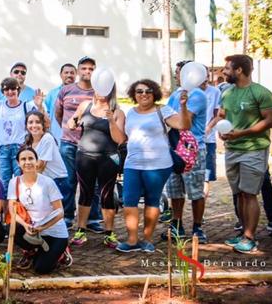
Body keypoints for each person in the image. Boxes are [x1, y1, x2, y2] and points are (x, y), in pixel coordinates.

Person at [111, 80, 185, 253]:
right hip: (132, 164)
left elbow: (183, 125)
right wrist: (110, 121)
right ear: (134, 94)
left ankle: (147, 240)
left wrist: (183, 106)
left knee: (152, 200)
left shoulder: (163, 110)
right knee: (129, 200)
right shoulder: (131, 112)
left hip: (158, 165)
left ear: (155, 93)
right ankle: (132, 241)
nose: (143, 94)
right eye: (139, 91)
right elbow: (121, 139)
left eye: (148, 90)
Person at [219, 54, 272, 254]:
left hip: (254, 150)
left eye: (227, 68)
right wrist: (221, 130)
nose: (224, 72)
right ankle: (243, 232)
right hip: (232, 149)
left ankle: (250, 238)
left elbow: (271, 120)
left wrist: (242, 133)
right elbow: (222, 115)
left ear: (239, 70)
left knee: (250, 194)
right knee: (239, 194)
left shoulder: (260, 93)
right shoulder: (227, 93)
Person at [64, 89, 120, 248]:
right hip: (85, 157)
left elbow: (120, 139)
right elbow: (71, 125)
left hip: (108, 158)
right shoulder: (85, 105)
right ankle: (81, 230)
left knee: (106, 194)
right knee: (85, 192)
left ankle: (109, 233)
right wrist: (74, 120)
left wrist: (111, 121)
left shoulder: (117, 111)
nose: (101, 92)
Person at [165, 61, 211, 242]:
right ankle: (177, 224)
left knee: (195, 191)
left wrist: (169, 115)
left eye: (179, 72)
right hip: (174, 147)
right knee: (175, 189)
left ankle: (197, 227)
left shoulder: (198, 94)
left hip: (193, 149)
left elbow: (183, 121)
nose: (176, 76)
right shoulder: (175, 94)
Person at [8, 146, 71, 273]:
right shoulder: (14, 182)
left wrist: (42, 227)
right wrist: (25, 225)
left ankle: (61, 252)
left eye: (31, 158)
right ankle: (32, 251)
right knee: (12, 228)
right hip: (32, 230)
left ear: (37, 161)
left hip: (54, 231)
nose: (27, 162)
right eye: (23, 159)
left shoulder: (48, 182)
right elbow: (12, 209)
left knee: (41, 268)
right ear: (18, 163)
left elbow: (60, 212)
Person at [54, 57, 97, 231]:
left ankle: (93, 219)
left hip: (92, 145)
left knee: (91, 183)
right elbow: (58, 114)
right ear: (78, 71)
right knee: (68, 181)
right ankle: (67, 216)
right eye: (84, 68)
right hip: (68, 143)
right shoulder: (66, 90)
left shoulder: (99, 92)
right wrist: (68, 130)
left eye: (91, 69)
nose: (87, 71)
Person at [0, 78, 42, 184]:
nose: (10, 91)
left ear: (18, 90)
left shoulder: (27, 106)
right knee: (3, 182)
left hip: (20, 147)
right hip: (3, 148)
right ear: (3, 92)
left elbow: (40, 121)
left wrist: (39, 106)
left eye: (13, 88)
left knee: (21, 181)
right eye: (6, 89)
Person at [24, 111, 69, 215]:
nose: (34, 125)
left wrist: (28, 182)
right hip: (44, 180)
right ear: (26, 125)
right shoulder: (28, 141)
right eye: (30, 122)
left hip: (58, 181)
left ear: (43, 125)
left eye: (37, 122)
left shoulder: (47, 138)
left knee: (58, 216)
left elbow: (40, 166)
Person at [44, 64, 76, 140]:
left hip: (73, 139)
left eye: (72, 73)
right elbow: (45, 115)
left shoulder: (80, 94)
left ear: (76, 75)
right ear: (61, 75)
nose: (69, 75)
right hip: (55, 138)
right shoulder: (52, 94)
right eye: (66, 72)